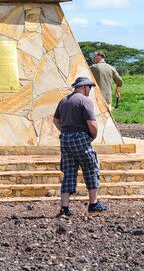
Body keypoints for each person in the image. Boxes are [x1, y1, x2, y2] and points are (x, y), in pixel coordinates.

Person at [53, 76, 109, 218]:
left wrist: (65, 131)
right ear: (84, 87)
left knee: (69, 172)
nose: (90, 90)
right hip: (80, 138)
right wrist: (92, 136)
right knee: (91, 168)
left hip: (65, 139)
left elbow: (56, 120)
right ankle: (93, 203)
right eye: (89, 87)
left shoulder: (64, 100)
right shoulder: (85, 101)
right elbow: (92, 123)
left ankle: (64, 209)